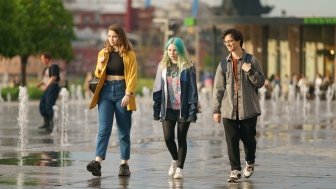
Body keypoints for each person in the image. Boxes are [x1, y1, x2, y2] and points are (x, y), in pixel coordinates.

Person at [212, 28, 265, 183]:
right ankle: (235, 170)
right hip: (229, 109)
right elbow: (218, 88)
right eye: (226, 42)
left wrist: (249, 72)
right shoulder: (223, 63)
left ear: (239, 41)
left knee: (249, 139)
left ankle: (249, 162)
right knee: (232, 140)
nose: (228, 44)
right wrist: (216, 110)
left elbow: (260, 82)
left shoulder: (252, 60)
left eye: (230, 41)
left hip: (248, 109)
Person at [86, 24, 137, 177]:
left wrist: (128, 94)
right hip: (106, 92)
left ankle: (124, 164)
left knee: (123, 130)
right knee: (103, 129)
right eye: (109, 36)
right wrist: (101, 63)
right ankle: (97, 162)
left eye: (114, 36)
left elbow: (133, 76)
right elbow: (97, 73)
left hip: (122, 91)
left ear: (121, 37)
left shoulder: (129, 54)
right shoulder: (103, 52)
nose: (112, 39)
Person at [153, 37, 198, 179]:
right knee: (168, 138)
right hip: (168, 108)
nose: (172, 52)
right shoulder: (162, 66)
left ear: (180, 50)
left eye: (175, 50)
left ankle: (180, 168)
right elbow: (157, 89)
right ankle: (175, 159)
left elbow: (192, 90)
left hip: (183, 108)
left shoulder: (188, 67)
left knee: (181, 138)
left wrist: (192, 110)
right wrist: (156, 109)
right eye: (170, 50)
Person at [37, 52, 60, 134]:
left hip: (52, 87)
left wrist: (46, 86)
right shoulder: (47, 69)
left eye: (43, 59)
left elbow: (53, 77)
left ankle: (51, 123)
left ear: (47, 59)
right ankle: (46, 123)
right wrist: (39, 84)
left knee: (49, 105)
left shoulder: (54, 67)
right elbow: (45, 79)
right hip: (48, 88)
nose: (42, 61)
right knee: (42, 104)